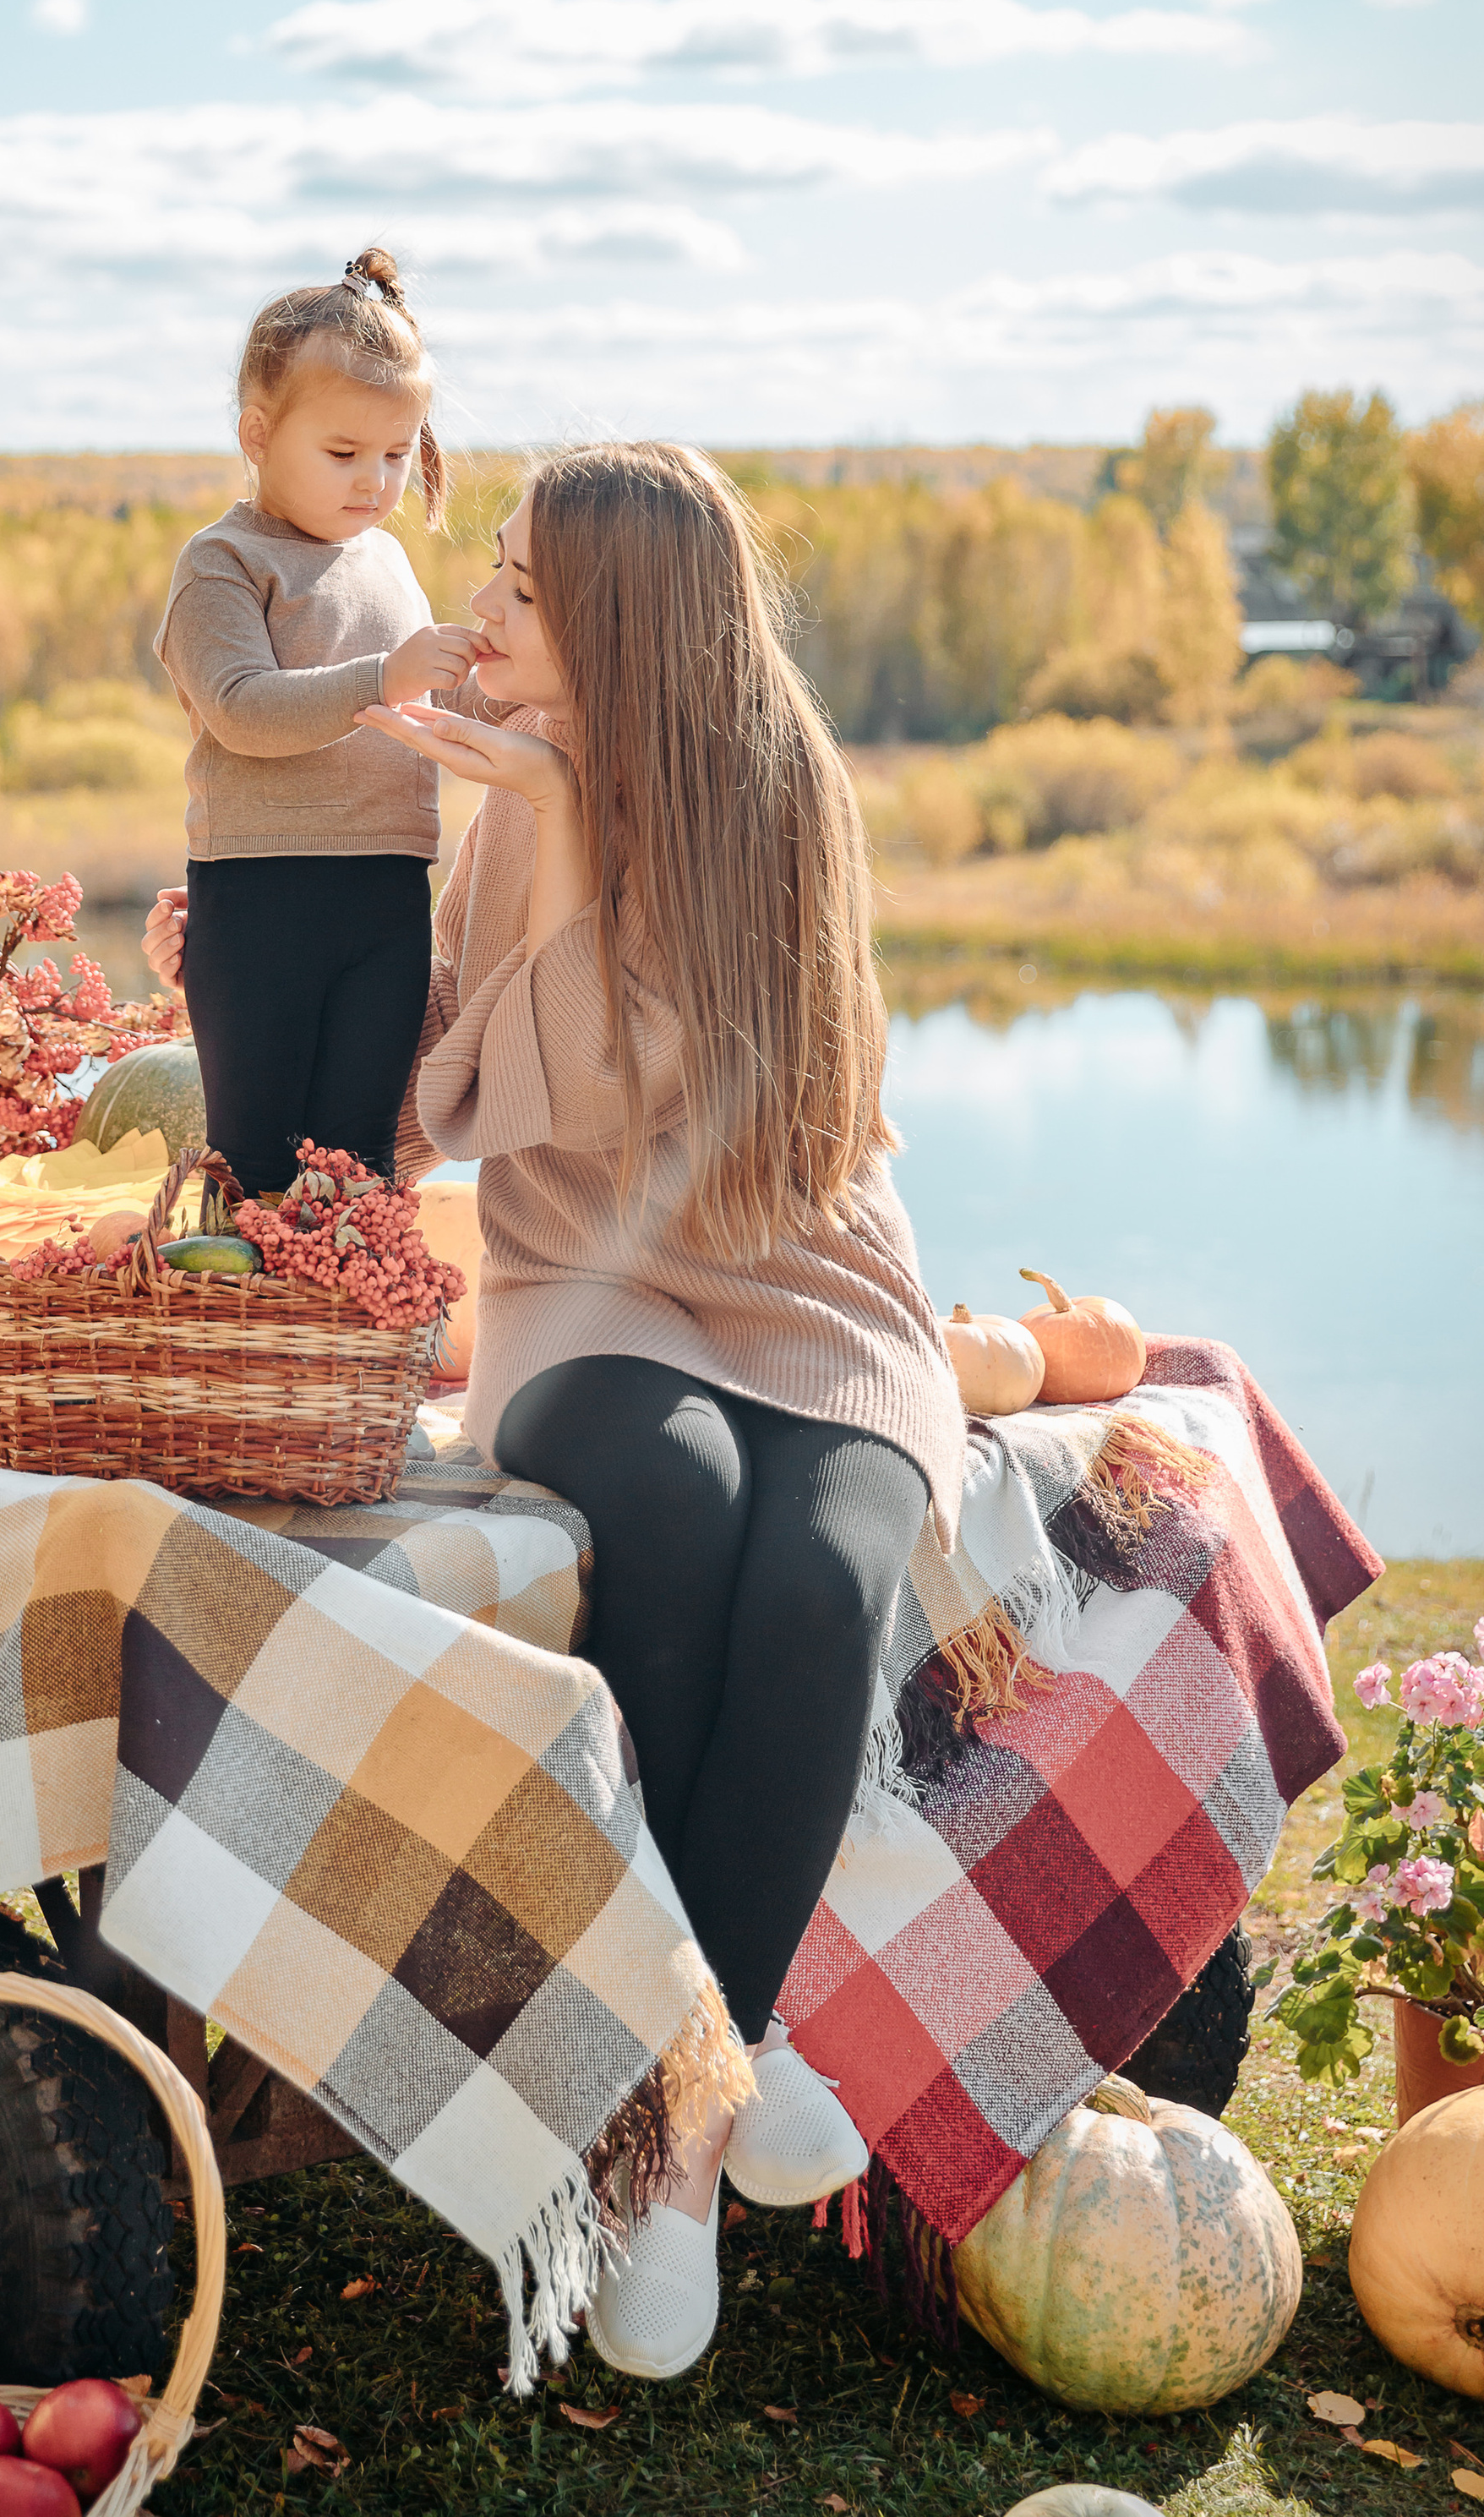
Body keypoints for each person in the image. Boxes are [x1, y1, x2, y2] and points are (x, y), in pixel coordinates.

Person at [146, 439, 966, 2385]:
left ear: (621, 630)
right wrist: (258, 972)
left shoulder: (778, 787)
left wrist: (575, 828)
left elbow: (750, 1104)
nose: (479, 607)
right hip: (582, 1279)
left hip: (804, 1272)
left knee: (820, 1576)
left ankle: (667, 2142)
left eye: (520, 586)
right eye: (493, 571)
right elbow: (495, 1099)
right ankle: (706, 2081)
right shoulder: (498, 791)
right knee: (668, 1515)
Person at [150, 249, 476, 1195]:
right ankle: (256, 1337)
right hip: (260, 894)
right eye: (342, 454)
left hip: (386, 892)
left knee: (358, 1157)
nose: (373, 481)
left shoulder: (388, 563)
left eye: (394, 454)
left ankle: (353, 1340)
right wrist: (388, 674)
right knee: (254, 1161)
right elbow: (244, 712)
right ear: (258, 433)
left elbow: (435, 701)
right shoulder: (223, 564)